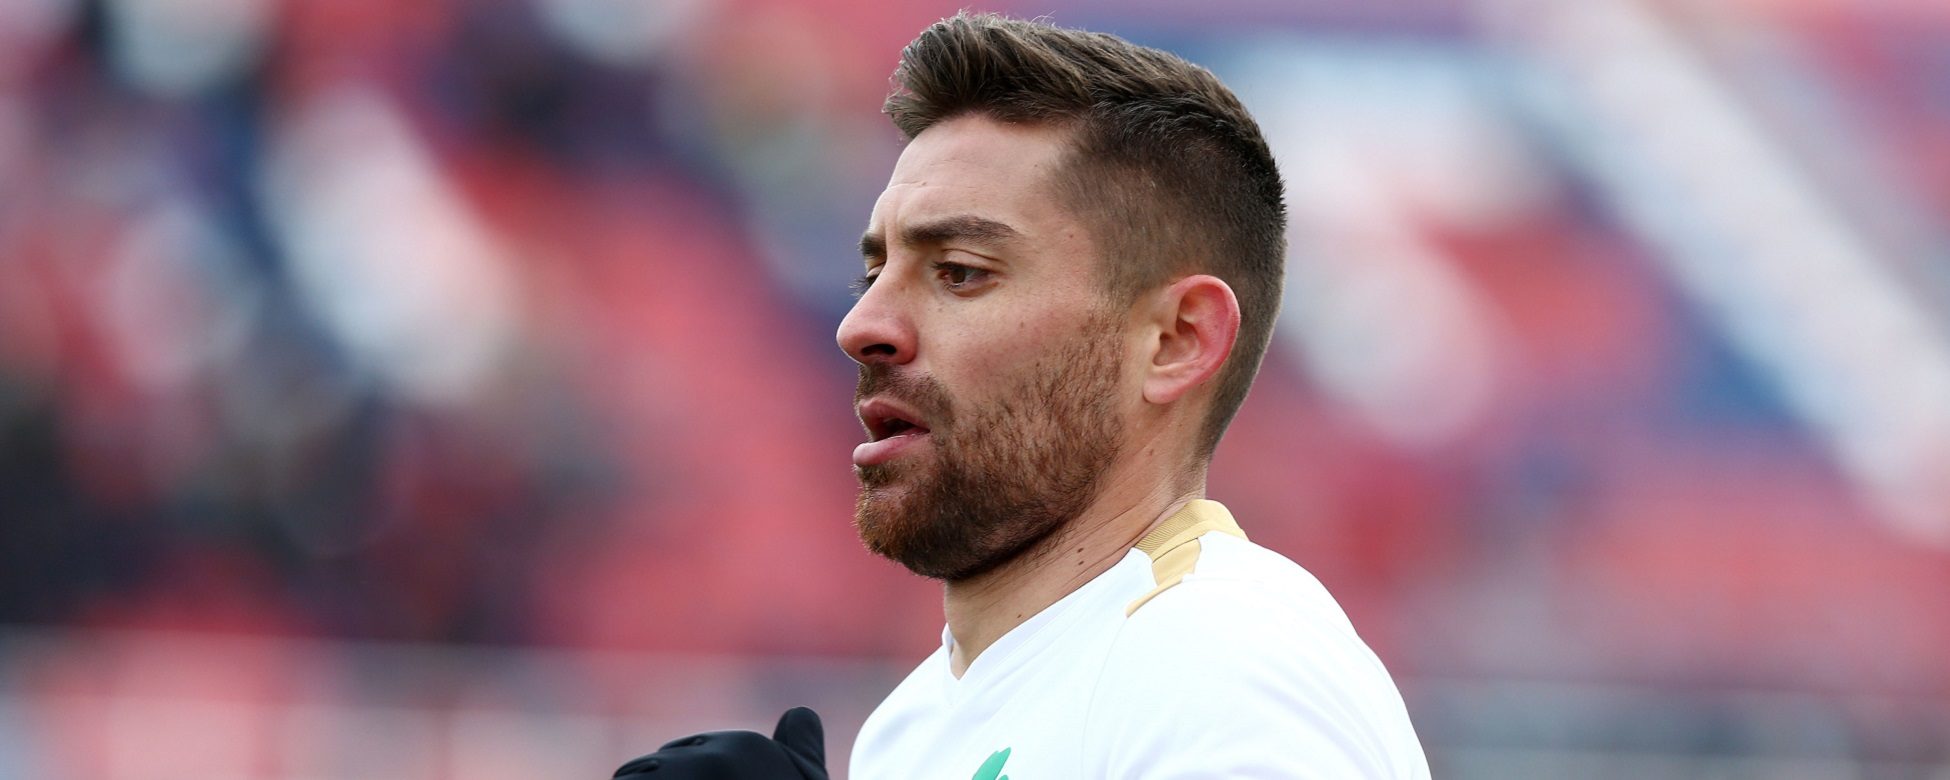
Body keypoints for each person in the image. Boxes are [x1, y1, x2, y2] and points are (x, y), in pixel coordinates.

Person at [613, 12, 1429, 779]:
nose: (861, 326)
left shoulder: (1227, 674)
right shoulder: (912, 727)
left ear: (1176, 339)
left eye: (960, 272)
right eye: (873, 273)